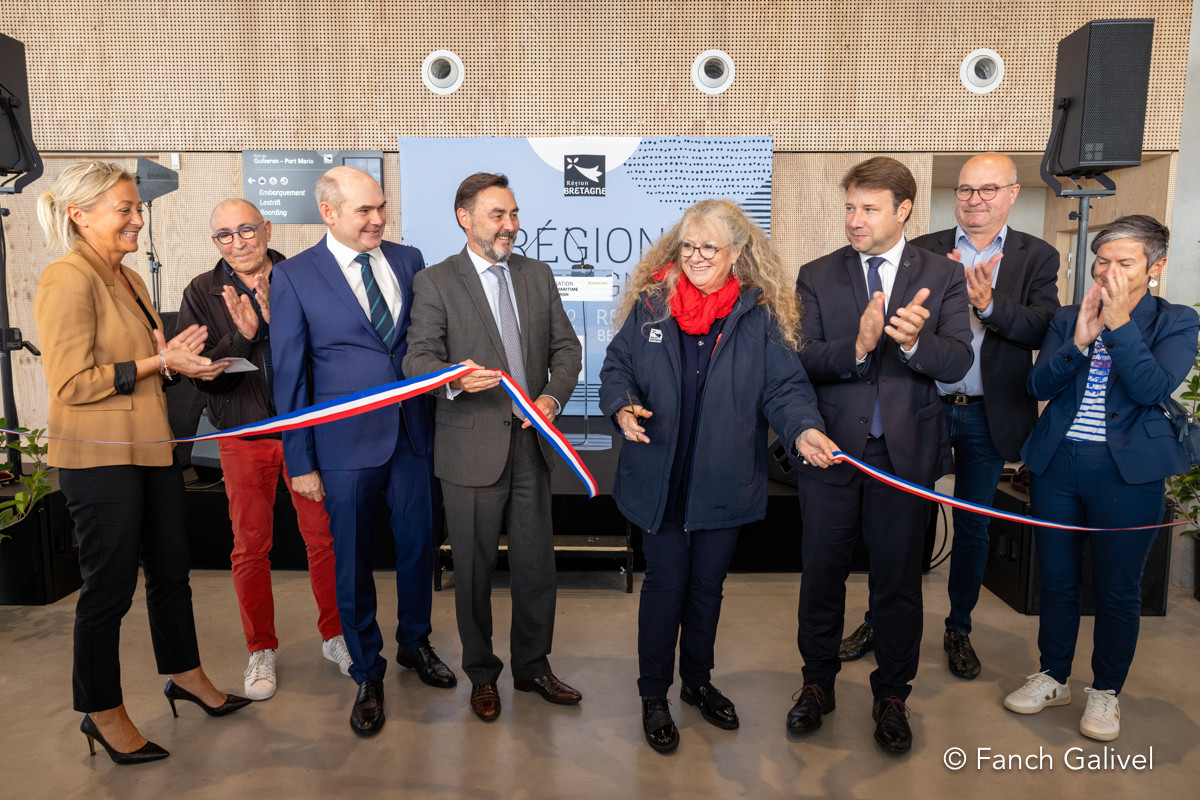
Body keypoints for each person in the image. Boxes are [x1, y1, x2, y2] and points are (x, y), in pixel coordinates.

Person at [598, 199, 837, 753]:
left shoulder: (758, 315)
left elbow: (786, 389)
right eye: (688, 246)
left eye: (710, 247)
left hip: (724, 480)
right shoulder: (653, 305)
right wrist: (622, 405)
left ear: (736, 253)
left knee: (707, 588)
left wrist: (804, 429)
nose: (697, 256)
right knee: (665, 587)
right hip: (659, 479)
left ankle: (697, 682)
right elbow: (617, 367)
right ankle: (653, 694)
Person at [32, 161, 250, 765]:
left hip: (150, 448)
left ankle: (186, 675)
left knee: (172, 572)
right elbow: (72, 384)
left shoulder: (126, 278)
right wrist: (161, 363)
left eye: (137, 208)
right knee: (108, 589)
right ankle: (100, 710)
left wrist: (179, 362)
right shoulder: (66, 278)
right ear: (79, 215)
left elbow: (145, 362)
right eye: (124, 209)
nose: (137, 219)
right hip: (99, 458)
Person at [839, 154, 1061, 679]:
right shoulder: (921, 249)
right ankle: (878, 620)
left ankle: (958, 627)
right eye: (965, 189)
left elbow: (1044, 328)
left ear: (1012, 194)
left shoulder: (1038, 255)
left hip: (988, 413)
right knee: (897, 523)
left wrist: (988, 304)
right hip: (919, 407)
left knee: (973, 525)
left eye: (988, 189)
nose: (974, 200)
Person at [788, 156, 972, 754]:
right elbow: (801, 357)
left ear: (903, 210)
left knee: (897, 583)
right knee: (822, 575)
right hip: (831, 453)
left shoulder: (943, 275)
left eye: (869, 209)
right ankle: (816, 684)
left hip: (904, 456)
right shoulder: (817, 274)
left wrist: (915, 343)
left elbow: (958, 360)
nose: (855, 220)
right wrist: (859, 346)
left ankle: (893, 695)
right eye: (850, 207)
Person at [271, 166, 453, 738]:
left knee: (419, 547)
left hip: (414, 437)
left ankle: (414, 643)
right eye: (364, 211)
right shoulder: (294, 276)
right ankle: (367, 671)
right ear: (328, 213)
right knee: (351, 563)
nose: (378, 220)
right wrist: (300, 461)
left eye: (381, 207)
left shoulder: (409, 259)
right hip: (343, 446)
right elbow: (289, 377)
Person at [1004, 215, 1198, 741]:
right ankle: (1053, 676)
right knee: (1056, 578)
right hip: (1058, 464)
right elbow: (1038, 384)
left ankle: (1107, 690)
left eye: (1124, 263)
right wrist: (1080, 341)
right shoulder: (1070, 316)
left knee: (1117, 588)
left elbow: (1151, 387)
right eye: (1102, 262)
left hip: (1127, 473)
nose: (1109, 272)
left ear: (1155, 267)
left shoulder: (1177, 321)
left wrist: (1119, 326)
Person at [404, 172, 584, 723]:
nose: (511, 225)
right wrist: (454, 379)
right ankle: (482, 674)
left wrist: (550, 400)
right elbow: (417, 360)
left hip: (532, 446)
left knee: (536, 569)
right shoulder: (436, 281)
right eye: (497, 215)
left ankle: (532, 667)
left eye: (514, 214)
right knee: (474, 573)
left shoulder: (536, 274)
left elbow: (567, 350)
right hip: (469, 452)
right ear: (465, 218)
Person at [177, 199, 351, 701]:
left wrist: (280, 324)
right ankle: (260, 648)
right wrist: (244, 336)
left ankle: (336, 635)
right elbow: (202, 377)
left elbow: (333, 355)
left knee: (324, 540)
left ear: (267, 229)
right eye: (224, 235)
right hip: (243, 438)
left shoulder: (302, 278)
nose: (237, 243)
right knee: (250, 547)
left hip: (305, 435)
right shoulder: (201, 291)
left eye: (246, 230)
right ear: (215, 241)